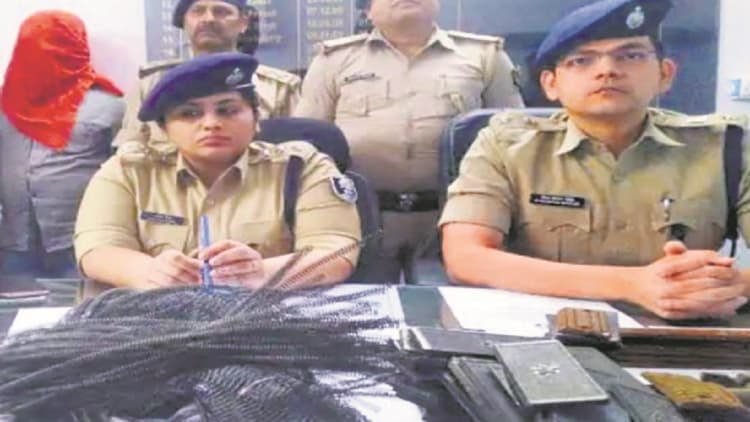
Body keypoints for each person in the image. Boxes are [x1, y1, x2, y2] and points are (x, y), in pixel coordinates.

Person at [439, 0, 750, 320]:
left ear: (665, 74)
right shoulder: (505, 146)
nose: (607, 70)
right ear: (551, 84)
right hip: (547, 330)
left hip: (689, 328)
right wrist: (633, 285)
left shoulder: (727, 145)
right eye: (581, 61)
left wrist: (727, 285)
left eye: (630, 56)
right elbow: (466, 257)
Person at [74, 53, 360, 295]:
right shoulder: (129, 171)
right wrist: (150, 272)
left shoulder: (302, 167)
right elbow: (97, 249)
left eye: (228, 110)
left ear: (256, 119)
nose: (211, 123)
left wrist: (262, 273)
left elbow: (335, 252)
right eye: (189, 114)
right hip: (156, 322)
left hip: (272, 319)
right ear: (164, 128)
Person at [295, 0, 524, 281]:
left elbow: (514, 138)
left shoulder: (484, 56)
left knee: (450, 304)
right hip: (360, 219)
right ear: (368, 10)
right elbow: (309, 142)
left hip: (456, 220)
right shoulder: (334, 60)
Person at [0, 10, 125, 279]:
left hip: (80, 242)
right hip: (14, 244)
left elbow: (126, 179)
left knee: (84, 305)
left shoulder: (110, 106)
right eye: (33, 47)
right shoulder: (5, 106)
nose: (43, 56)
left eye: (55, 47)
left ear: (76, 50)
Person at [114, 0, 300, 154]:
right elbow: (129, 151)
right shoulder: (150, 86)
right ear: (184, 22)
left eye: (221, 11)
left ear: (243, 23)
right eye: (198, 11)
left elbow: (295, 154)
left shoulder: (279, 88)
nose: (208, 19)